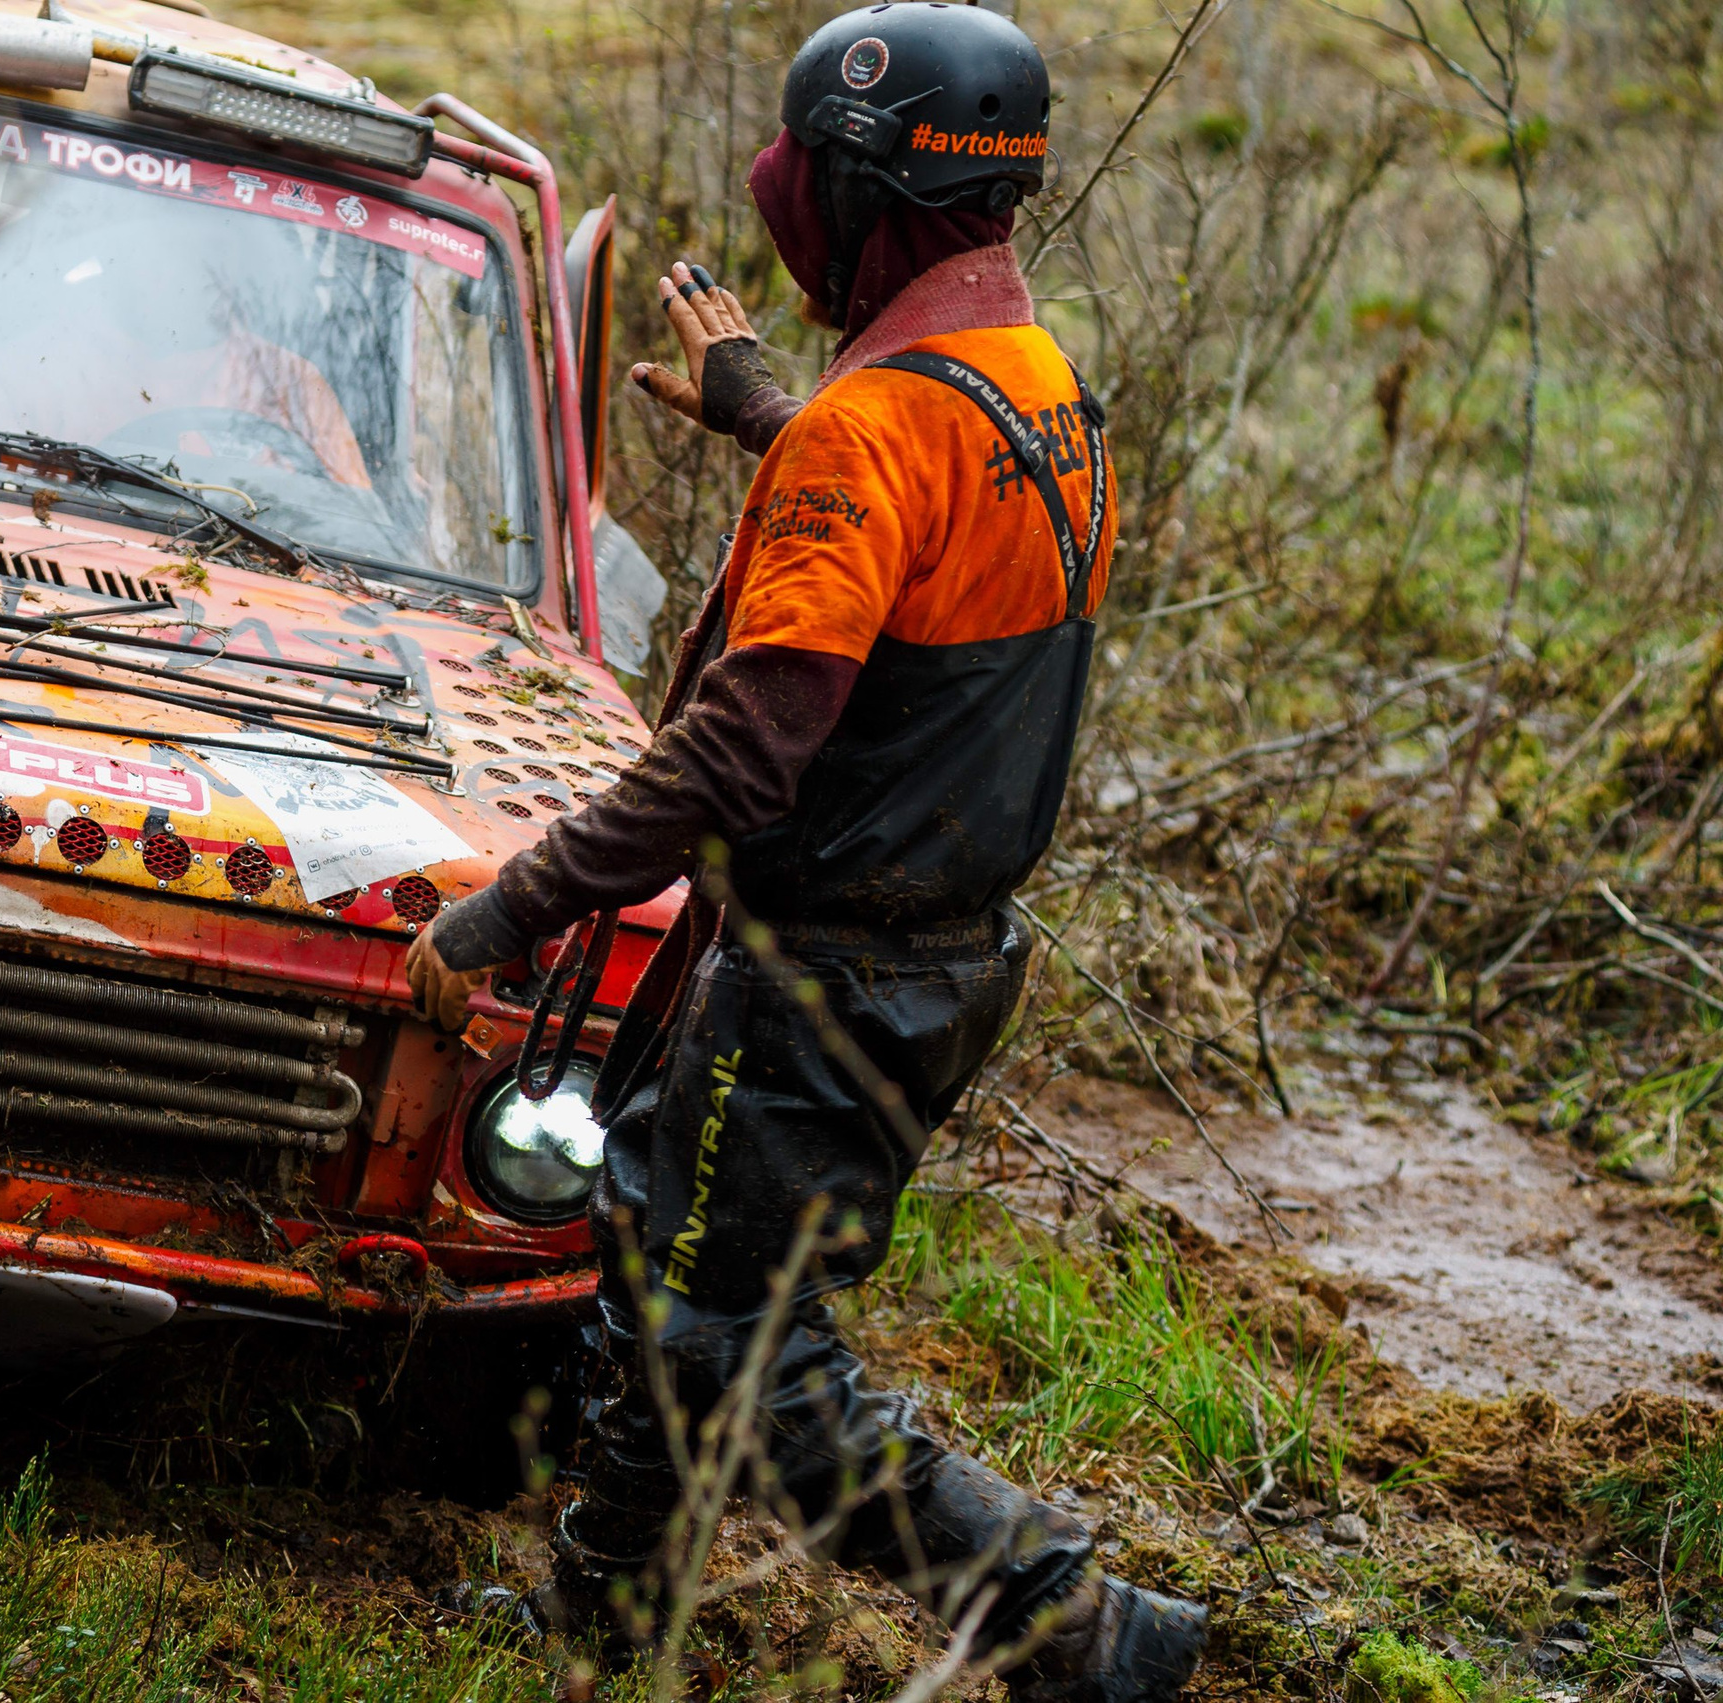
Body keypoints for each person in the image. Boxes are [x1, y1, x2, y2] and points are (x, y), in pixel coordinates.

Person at [406, 7, 1209, 1698]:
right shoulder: (1041, 392)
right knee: (660, 1258)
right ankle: (606, 1620)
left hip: (822, 979)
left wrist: (505, 911)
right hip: (925, 958)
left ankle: (1080, 1626)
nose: (782, 212)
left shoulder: (875, 431)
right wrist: (774, 409)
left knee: (737, 1358)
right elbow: (922, 531)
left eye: (802, 183)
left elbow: (747, 741)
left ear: (860, 192)